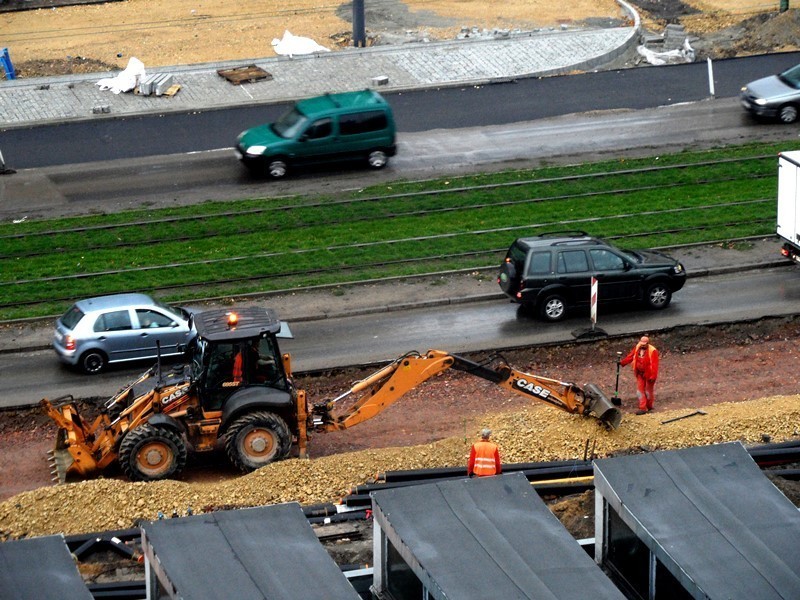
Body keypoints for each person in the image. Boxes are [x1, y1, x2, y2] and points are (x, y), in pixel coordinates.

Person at [620, 336, 660, 414]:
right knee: (640, 391)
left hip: (649, 374)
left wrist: (653, 376)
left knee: (648, 391)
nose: (642, 345)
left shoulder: (653, 351)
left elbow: (655, 365)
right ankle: (642, 408)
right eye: (641, 343)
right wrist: (622, 362)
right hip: (639, 373)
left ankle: (649, 406)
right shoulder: (637, 347)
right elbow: (631, 356)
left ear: (647, 344)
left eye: (644, 344)